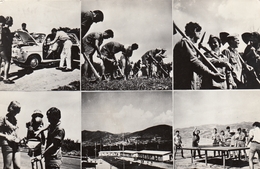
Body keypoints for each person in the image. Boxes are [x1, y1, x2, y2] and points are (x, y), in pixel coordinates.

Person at [174, 22, 225, 89]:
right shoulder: (185, 42)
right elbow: (194, 62)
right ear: (195, 30)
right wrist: (212, 74)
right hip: (185, 84)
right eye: (199, 33)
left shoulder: (187, 43)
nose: (200, 36)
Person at [0, 101, 21, 169]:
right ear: (11, 109)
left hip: (15, 143)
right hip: (7, 143)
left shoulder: (15, 119)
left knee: (18, 166)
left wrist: (18, 137)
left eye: (17, 112)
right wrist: (6, 136)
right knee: (7, 167)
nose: (15, 114)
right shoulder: (3, 118)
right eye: (15, 111)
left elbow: (15, 131)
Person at [0, 16, 14, 84]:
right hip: (4, 48)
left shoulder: (1, 29)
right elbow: (8, 40)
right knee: (7, 62)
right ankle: (5, 78)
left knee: (0, 61)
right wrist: (13, 35)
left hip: (0, 47)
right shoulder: (7, 30)